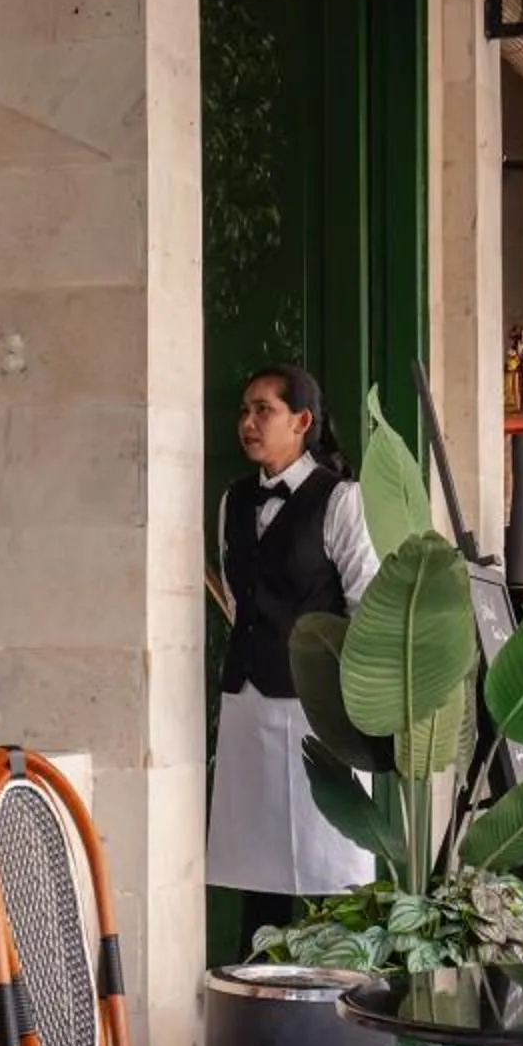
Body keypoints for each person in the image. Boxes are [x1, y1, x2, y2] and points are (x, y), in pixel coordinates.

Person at [206, 363, 382, 952]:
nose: (248, 422)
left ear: (302, 421)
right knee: (257, 868)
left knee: (330, 864)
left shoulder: (342, 500)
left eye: (264, 410)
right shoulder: (232, 501)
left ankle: (336, 1002)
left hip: (320, 714)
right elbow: (237, 597)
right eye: (245, 410)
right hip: (249, 709)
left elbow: (367, 603)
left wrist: (349, 699)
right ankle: (254, 995)